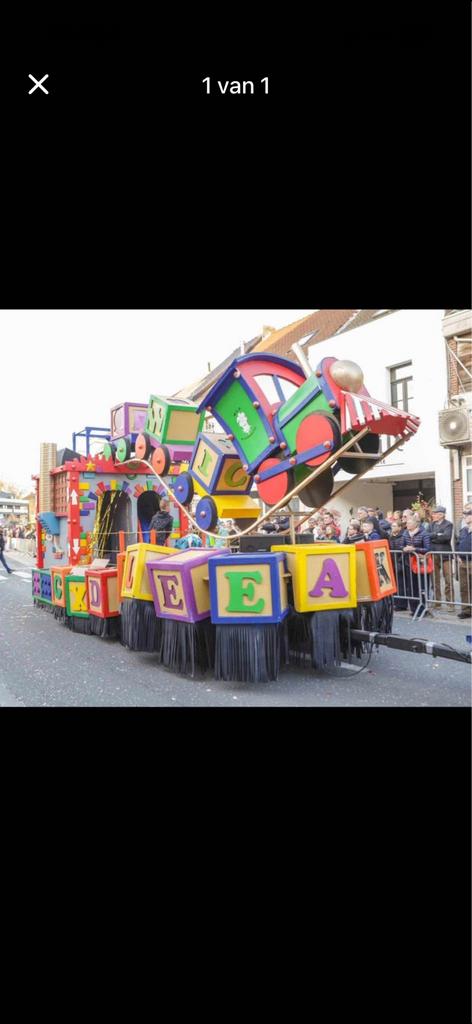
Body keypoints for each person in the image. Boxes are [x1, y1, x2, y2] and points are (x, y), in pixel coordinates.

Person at [401, 514, 431, 615]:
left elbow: (427, 549)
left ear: (416, 524)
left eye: (409, 523)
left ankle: (423, 609)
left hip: (420, 563)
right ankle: (414, 609)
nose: (407, 525)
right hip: (408, 563)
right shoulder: (405, 533)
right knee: (411, 586)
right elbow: (401, 545)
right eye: (407, 523)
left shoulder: (424, 533)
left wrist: (414, 549)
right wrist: (404, 548)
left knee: (422, 586)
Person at [429, 505, 454, 610]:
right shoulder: (431, 525)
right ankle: (437, 602)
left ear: (441, 514)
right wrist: (437, 535)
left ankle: (450, 604)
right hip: (433, 554)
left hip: (445, 555)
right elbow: (427, 535)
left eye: (435, 513)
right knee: (435, 580)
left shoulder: (448, 524)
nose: (433, 515)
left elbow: (446, 537)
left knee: (448, 580)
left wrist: (434, 536)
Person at [456, 508, 472, 619]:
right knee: (464, 587)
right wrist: (457, 555)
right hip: (462, 562)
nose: (465, 517)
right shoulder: (463, 530)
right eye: (464, 515)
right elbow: (457, 543)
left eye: (467, 515)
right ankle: (466, 610)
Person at [388, 520, 407, 610]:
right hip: (393, 562)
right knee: (395, 583)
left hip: (400, 562)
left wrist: (399, 562)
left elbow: (402, 550)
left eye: (395, 526)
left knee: (401, 584)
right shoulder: (391, 536)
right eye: (392, 526)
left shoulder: (403, 536)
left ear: (400, 527)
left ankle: (402, 604)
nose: (393, 528)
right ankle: (396, 602)